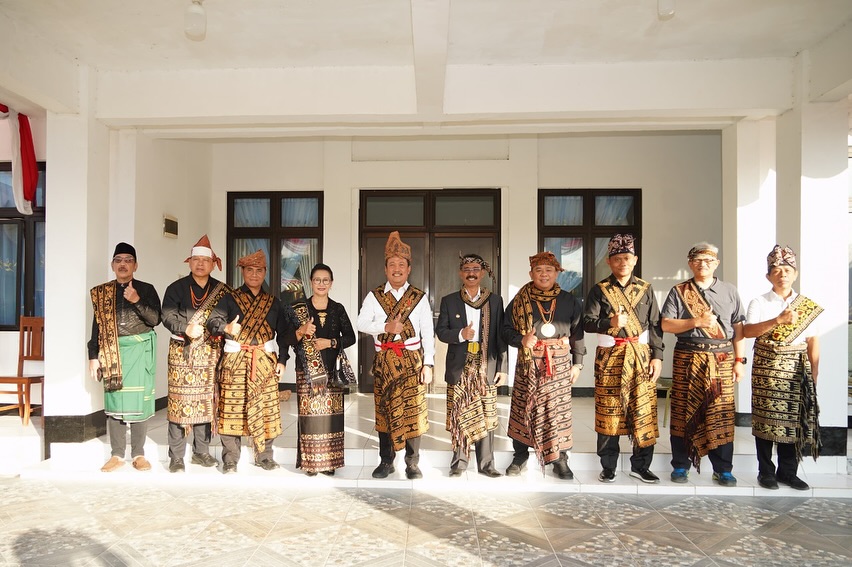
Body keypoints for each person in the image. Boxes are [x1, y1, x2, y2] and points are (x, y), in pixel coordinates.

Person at [661, 242, 745, 487]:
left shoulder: (729, 291)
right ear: (690, 263)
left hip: (722, 358)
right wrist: (695, 321)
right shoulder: (679, 291)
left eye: (708, 261)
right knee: (682, 411)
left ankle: (723, 469)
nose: (703, 265)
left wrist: (740, 361)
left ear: (716, 263)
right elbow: (666, 324)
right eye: (697, 260)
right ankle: (680, 465)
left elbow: (738, 329)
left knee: (720, 413)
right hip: (688, 356)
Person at [584, 234, 664, 483]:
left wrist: (657, 357)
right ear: (609, 261)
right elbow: (587, 322)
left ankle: (641, 464)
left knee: (642, 410)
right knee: (610, 410)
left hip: (641, 356)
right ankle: (608, 465)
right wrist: (611, 322)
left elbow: (655, 326)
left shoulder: (646, 290)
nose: (622, 263)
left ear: (635, 259)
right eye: (617, 259)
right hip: (610, 357)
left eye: (627, 258)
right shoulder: (600, 290)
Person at [744, 245, 822, 491]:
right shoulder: (759, 302)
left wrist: (815, 373)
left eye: (787, 269)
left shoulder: (806, 305)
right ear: (768, 276)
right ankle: (765, 472)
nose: (782, 274)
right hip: (767, 367)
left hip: (796, 369)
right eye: (776, 270)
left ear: (795, 273)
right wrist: (777, 320)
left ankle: (788, 472)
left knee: (794, 421)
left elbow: (813, 341)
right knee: (765, 420)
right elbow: (748, 332)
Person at [357, 231, 435, 480]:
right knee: (384, 412)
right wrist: (385, 328)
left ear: (409, 268)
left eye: (402, 264)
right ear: (386, 268)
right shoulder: (374, 296)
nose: (397, 269)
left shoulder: (419, 298)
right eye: (392, 265)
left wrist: (429, 363)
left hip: (413, 362)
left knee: (413, 411)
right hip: (384, 362)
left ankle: (412, 463)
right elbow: (360, 323)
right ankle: (386, 461)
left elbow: (427, 332)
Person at [502, 251, 585, 479]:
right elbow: (505, 329)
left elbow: (578, 334)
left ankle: (559, 459)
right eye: (539, 270)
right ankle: (520, 456)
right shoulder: (520, 299)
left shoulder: (569, 300)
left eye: (549, 270)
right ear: (531, 273)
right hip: (528, 361)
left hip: (558, 362)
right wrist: (521, 340)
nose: (544, 274)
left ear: (557, 273)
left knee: (556, 411)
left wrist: (577, 364)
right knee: (524, 407)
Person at [211, 250, 285, 474]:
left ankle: (264, 456)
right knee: (231, 411)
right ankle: (231, 459)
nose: (254, 275)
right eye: (249, 270)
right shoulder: (229, 298)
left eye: (259, 270)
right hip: (234, 361)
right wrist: (226, 328)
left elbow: (285, 333)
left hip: (263, 361)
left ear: (265, 273)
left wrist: (282, 360)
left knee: (266, 410)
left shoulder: (273, 302)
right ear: (242, 272)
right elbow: (212, 321)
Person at [88, 243, 161, 473]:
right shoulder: (102, 293)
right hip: (111, 351)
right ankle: (117, 455)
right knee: (115, 403)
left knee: (138, 403)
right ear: (112, 264)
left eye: (128, 259)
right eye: (118, 259)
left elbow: (155, 319)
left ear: (135, 265)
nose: (122, 264)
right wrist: (93, 356)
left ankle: (138, 454)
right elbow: (97, 328)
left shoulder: (146, 289)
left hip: (139, 351)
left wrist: (136, 300)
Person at [161, 235, 231, 473]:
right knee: (179, 404)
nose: (200, 264)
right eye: (196, 260)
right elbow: (167, 316)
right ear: (189, 262)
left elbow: (229, 318)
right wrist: (185, 327)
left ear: (213, 264)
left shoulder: (222, 291)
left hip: (210, 354)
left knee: (205, 402)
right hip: (182, 352)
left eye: (205, 260)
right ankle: (177, 456)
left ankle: (201, 452)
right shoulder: (175, 289)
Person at [435, 253, 507, 478]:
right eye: (467, 269)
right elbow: (441, 332)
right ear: (460, 273)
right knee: (459, 413)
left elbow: (501, 337)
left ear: (482, 273)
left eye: (476, 269)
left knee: (486, 414)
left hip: (486, 365)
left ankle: (487, 464)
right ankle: (459, 463)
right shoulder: (449, 300)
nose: (471, 273)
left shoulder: (495, 301)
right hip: (460, 366)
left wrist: (503, 368)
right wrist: (461, 334)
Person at [282, 263, 357, 476]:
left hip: (332, 373)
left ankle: (330, 462)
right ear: (311, 283)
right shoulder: (297, 309)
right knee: (310, 417)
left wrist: (331, 342)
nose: (321, 284)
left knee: (331, 417)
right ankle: (311, 463)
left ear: (331, 284)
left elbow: (350, 337)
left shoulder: (338, 309)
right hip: (307, 372)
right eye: (317, 280)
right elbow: (286, 338)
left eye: (325, 280)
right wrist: (301, 331)